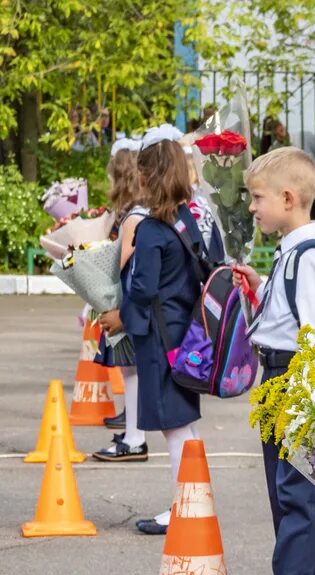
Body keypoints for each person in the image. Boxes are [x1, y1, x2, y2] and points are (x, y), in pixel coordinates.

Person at [226, 147, 315, 575]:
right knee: (296, 492)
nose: (253, 207)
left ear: (289, 198)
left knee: (295, 493)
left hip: (295, 377)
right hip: (283, 375)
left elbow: (314, 332)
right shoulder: (293, 253)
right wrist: (259, 287)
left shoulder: (309, 257)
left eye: (258, 198)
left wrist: (306, 395)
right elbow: (288, 317)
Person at [97, 127, 202, 535]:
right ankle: (193, 501)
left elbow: (142, 288)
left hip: (160, 338)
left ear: (145, 176)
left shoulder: (152, 230)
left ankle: (184, 508)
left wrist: (119, 317)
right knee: (185, 423)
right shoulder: (186, 221)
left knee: (174, 427)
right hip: (184, 332)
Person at [92, 139, 150, 464]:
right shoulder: (137, 213)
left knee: (132, 372)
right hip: (129, 298)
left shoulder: (133, 217)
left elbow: (119, 260)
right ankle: (132, 435)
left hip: (127, 301)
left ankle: (134, 438)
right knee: (131, 371)